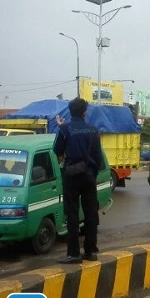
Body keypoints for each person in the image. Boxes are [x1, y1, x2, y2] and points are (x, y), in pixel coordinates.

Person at [53, 98, 103, 264]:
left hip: (71, 176)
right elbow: (98, 157)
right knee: (90, 214)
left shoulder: (65, 129)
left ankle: (73, 254)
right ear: (84, 112)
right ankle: (90, 252)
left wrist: (61, 126)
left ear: (70, 111)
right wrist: (92, 174)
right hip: (89, 176)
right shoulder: (93, 130)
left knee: (72, 214)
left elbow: (57, 150)